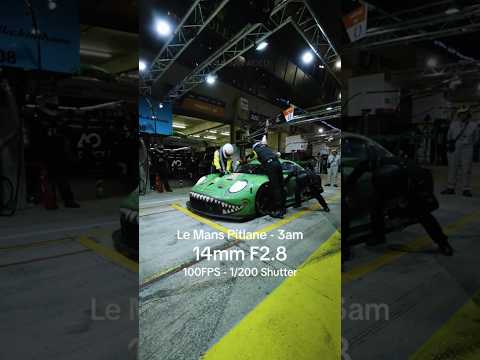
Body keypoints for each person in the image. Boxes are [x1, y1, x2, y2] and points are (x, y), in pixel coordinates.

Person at [441, 106, 479, 197]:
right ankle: (450, 187)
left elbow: (476, 138)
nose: (463, 115)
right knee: (452, 168)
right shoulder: (453, 124)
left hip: (467, 148)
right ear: (458, 115)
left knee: (466, 169)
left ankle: (466, 189)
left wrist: (468, 144)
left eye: (465, 114)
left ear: (468, 115)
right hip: (455, 149)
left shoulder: (474, 125)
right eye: (461, 114)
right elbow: (449, 136)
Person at [252, 140, 286, 218]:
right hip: (277, 164)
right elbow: (275, 155)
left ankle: (279, 211)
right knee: (281, 186)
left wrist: (241, 161)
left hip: (270, 165)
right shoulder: (266, 148)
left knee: (275, 188)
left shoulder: (256, 151)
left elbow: (250, 158)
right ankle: (283, 208)